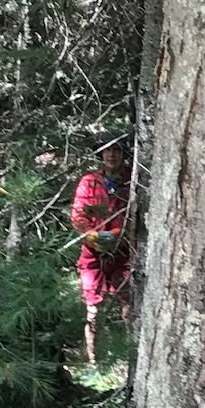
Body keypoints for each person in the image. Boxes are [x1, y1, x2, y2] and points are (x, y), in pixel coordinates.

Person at [71, 132, 131, 366]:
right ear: (100, 154)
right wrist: (92, 235)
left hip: (124, 253)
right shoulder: (89, 181)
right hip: (93, 254)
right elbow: (78, 215)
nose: (111, 155)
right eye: (106, 150)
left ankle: (131, 357)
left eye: (116, 150)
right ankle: (94, 361)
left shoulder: (131, 180)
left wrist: (120, 235)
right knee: (93, 309)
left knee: (129, 307)